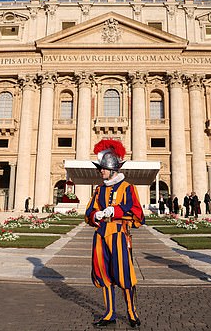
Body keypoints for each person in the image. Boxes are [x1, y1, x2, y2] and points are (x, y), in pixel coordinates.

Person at [85, 139, 144, 328]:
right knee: (104, 274)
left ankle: (132, 313)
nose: (100, 171)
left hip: (119, 234)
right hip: (101, 235)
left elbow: (138, 213)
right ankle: (109, 313)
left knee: (124, 274)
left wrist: (116, 211)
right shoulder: (99, 190)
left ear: (112, 169)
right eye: (100, 168)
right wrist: (97, 214)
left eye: (103, 168)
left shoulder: (127, 188)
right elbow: (88, 213)